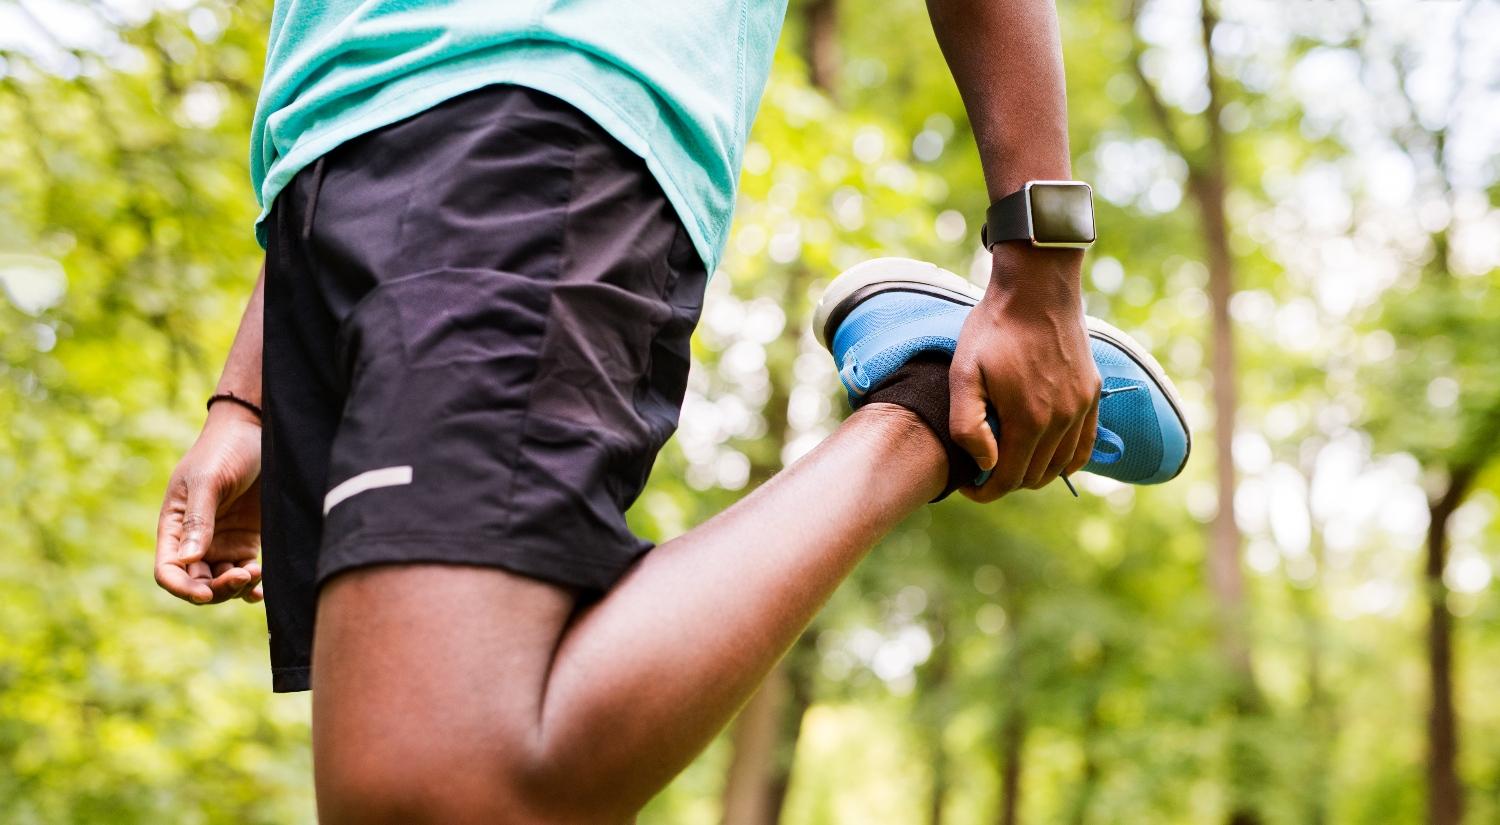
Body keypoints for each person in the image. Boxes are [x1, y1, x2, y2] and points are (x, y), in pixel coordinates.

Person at [152, 1, 1188, 821]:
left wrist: (1039, 258)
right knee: (388, 782)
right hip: (326, 176)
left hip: (540, 94)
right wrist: (250, 385)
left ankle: (920, 406)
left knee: (445, 791)